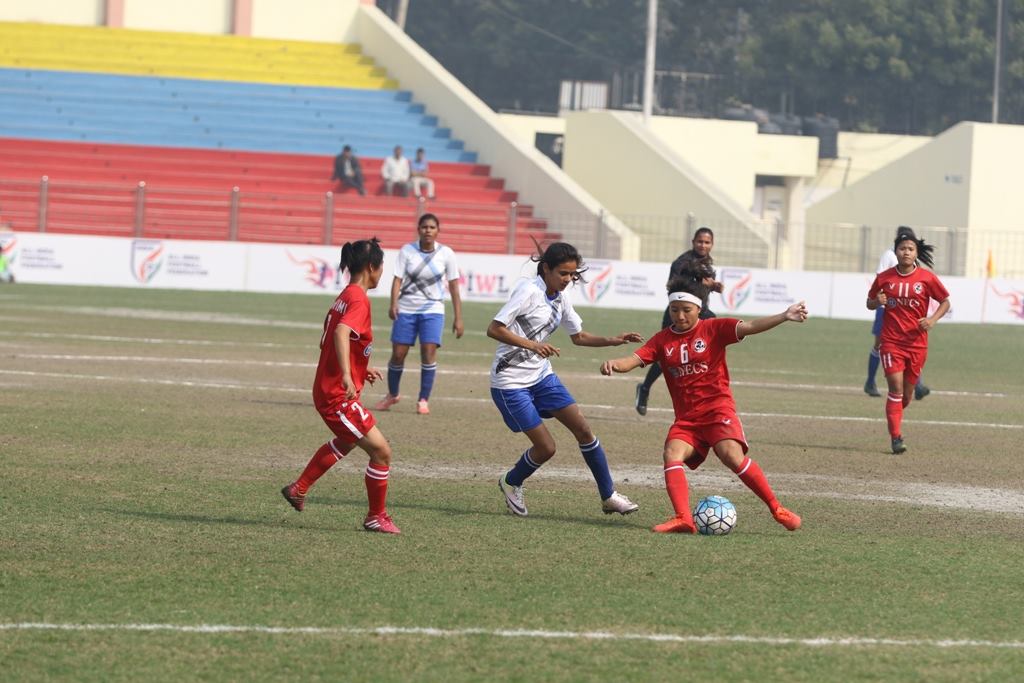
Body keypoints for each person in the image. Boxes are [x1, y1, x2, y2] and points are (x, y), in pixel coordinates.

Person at [601, 260, 804, 534]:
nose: (680, 316)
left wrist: (784, 315)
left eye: (686, 310)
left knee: (730, 455)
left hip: (717, 410)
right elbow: (635, 359)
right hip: (687, 419)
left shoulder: (713, 328)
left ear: (699, 308)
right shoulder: (662, 340)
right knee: (671, 453)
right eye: (674, 310)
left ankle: (776, 508)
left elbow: (752, 325)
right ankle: (684, 518)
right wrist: (615, 364)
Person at [489, 241, 642, 517]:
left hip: (541, 377)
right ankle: (511, 481)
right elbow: (494, 328)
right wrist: (533, 345)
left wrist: (614, 340)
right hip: (510, 382)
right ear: (546, 268)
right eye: (563, 273)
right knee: (546, 448)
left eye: (572, 275)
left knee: (583, 430)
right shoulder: (528, 291)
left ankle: (609, 496)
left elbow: (579, 337)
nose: (568, 280)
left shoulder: (560, 297)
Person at [281, 238, 400, 534]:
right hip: (337, 394)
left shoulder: (345, 295)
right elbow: (343, 332)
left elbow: (340, 337)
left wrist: (361, 367)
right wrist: (348, 375)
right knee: (382, 452)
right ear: (372, 267)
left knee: (348, 440)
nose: (382, 272)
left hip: (328, 388)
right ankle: (376, 516)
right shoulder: (359, 298)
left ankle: (299, 488)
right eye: (382, 266)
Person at [866, 230, 951, 454]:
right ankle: (896, 438)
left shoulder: (927, 278)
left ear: (916, 253)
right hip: (891, 342)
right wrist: (877, 301)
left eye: (910, 249)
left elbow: (945, 301)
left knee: (905, 396)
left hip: (917, 344)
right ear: (896, 252)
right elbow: (869, 303)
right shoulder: (884, 278)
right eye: (902, 248)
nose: (906, 252)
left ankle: (894, 414)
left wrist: (932, 319)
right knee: (895, 389)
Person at [375, 213, 463, 415]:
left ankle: (423, 399)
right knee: (398, 354)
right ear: (418, 230)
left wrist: (458, 317)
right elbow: (397, 279)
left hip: (433, 309)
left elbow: (454, 286)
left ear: (437, 231)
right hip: (406, 309)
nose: (428, 231)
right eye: (424, 227)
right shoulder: (407, 251)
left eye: (432, 227)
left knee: (429, 351)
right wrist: (393, 303)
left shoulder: (447, 253)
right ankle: (392, 394)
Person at [635, 227, 723, 415]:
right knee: (666, 355)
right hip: (677, 314)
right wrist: (702, 282)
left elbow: (703, 292)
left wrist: (712, 286)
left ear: (712, 245)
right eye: (700, 241)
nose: (703, 245)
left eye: (707, 242)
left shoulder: (708, 265)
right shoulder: (682, 263)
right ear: (693, 242)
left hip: (700, 313)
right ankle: (644, 388)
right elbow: (675, 288)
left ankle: (703, 391)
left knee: (708, 339)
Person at [864, 226, 931, 400]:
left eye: (911, 245)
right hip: (887, 309)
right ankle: (870, 381)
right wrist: (880, 300)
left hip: (906, 311)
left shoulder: (911, 258)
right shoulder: (889, 255)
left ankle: (917, 384)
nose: (907, 249)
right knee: (880, 344)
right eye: (904, 244)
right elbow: (880, 279)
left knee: (912, 343)